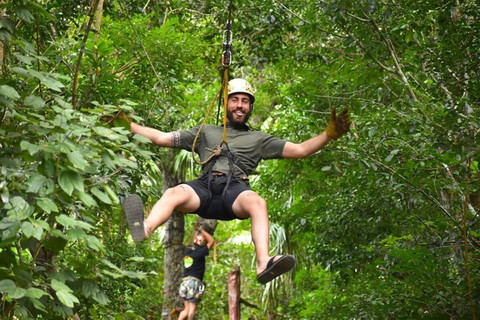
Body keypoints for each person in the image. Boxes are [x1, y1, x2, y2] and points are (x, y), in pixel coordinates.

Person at [121, 78, 351, 283]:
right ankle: (145, 228)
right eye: (234, 100)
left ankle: (264, 262)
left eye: (245, 101)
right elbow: (161, 138)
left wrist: (328, 135)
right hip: (204, 187)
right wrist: (127, 125)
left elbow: (300, 150)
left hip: (235, 190)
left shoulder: (259, 138)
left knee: (257, 202)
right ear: (225, 104)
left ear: (250, 107)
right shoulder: (206, 131)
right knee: (172, 193)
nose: (240, 105)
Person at [178, 226, 214, 320]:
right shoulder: (200, 252)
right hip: (194, 283)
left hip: (184, 283)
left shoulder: (187, 251)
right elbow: (212, 242)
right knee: (192, 309)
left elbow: (190, 242)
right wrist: (202, 230)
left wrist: (195, 231)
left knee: (186, 309)